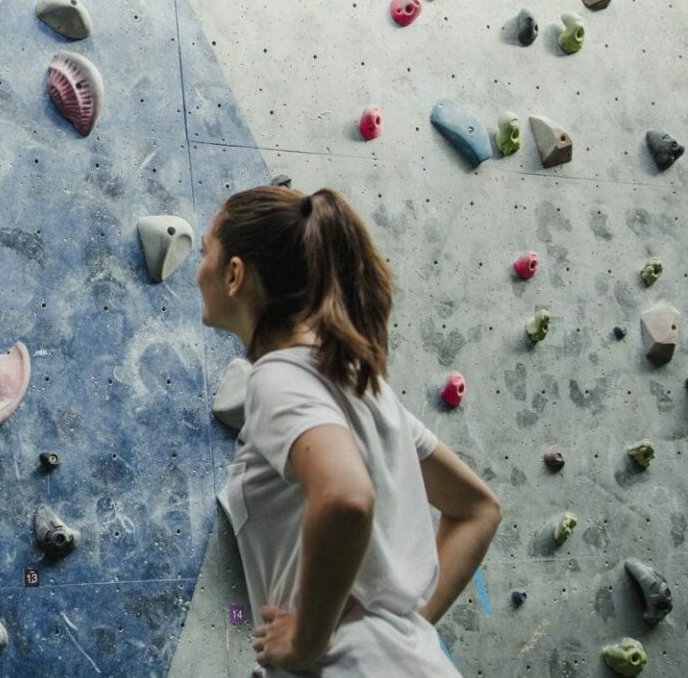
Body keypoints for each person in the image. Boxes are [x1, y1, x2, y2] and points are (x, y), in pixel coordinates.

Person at [197, 185, 502, 676]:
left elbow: (345, 497)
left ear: (234, 275)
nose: (199, 271)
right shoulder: (364, 387)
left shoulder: (277, 377)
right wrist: (398, 634)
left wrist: (308, 642)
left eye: (205, 252)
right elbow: (478, 510)